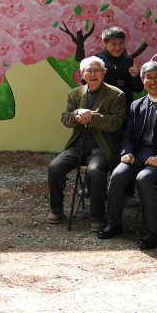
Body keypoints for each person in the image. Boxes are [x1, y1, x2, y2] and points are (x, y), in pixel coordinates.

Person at [99, 61, 157, 249]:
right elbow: (129, 134)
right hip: (139, 154)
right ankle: (114, 224)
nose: (153, 81)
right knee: (118, 175)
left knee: (144, 178)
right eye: (148, 77)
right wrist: (127, 152)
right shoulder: (136, 105)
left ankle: (154, 233)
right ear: (142, 80)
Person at [46, 56, 127, 230]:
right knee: (54, 167)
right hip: (77, 144)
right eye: (88, 71)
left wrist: (92, 117)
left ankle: (97, 216)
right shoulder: (74, 94)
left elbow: (117, 123)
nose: (93, 74)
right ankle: (56, 209)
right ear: (82, 74)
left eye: (97, 70)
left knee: (95, 171)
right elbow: (65, 119)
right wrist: (76, 115)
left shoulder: (116, 94)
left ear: (104, 73)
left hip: (101, 146)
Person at [95, 26, 143, 98]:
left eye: (121, 43)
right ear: (104, 42)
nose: (118, 48)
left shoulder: (129, 61)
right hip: (103, 105)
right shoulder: (96, 60)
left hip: (124, 105)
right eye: (113, 44)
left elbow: (138, 89)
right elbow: (86, 84)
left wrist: (134, 77)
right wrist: (97, 74)